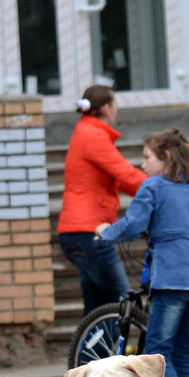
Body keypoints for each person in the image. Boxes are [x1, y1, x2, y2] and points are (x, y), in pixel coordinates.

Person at [96, 128, 189, 377]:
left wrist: (105, 232)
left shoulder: (152, 187)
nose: (142, 165)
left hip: (172, 279)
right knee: (181, 352)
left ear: (165, 156)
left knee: (159, 353)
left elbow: (133, 225)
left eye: (147, 157)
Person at [57, 85, 147, 315]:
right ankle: (109, 351)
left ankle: (90, 351)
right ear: (107, 108)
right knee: (121, 304)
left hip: (78, 231)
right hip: (90, 232)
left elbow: (121, 181)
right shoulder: (94, 136)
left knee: (98, 308)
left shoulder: (86, 132)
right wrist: (160, 189)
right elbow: (126, 173)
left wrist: (150, 191)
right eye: (115, 105)